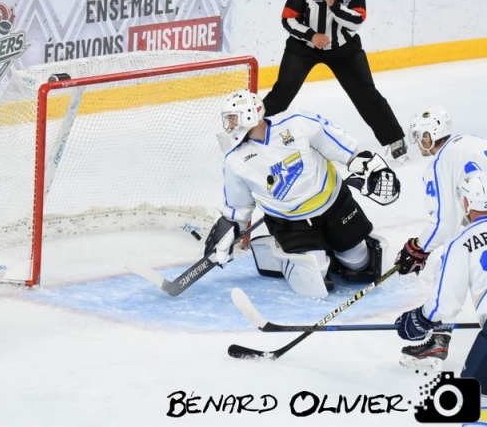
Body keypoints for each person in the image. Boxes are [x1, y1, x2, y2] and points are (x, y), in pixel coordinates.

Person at [206, 90, 400, 299]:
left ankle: (332, 246)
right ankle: (300, 250)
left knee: (359, 264)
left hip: (334, 205)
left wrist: (369, 166)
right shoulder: (234, 160)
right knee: (314, 280)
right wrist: (229, 228)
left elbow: (342, 147)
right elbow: (239, 208)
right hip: (289, 222)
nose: (229, 126)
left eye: (232, 119)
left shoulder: (297, 122)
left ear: (250, 116)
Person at [261, 0, 408, 162]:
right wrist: (312, 36)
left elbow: (357, 20)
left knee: (366, 93)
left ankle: (394, 138)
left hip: (344, 48)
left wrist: (334, 5)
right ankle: (254, 133)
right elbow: (288, 19)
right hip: (304, 47)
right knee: (282, 92)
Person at [394, 106, 487, 369]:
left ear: (428, 136)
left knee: (448, 262)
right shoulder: (475, 141)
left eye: (418, 138)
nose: (418, 144)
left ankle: (437, 339)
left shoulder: (442, 161)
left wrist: (418, 248)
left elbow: (445, 224)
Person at [396, 171, 487, 414]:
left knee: (476, 399)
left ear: (466, 202)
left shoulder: (462, 240)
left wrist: (420, 320)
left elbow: (446, 301)